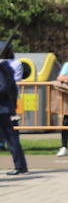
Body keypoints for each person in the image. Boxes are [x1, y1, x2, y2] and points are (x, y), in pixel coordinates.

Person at [0, 38, 27, 176]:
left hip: (4, 109)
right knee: (11, 138)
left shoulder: (3, 68)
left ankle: (20, 166)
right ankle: (20, 166)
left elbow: (4, 88)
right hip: (5, 108)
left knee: (12, 138)